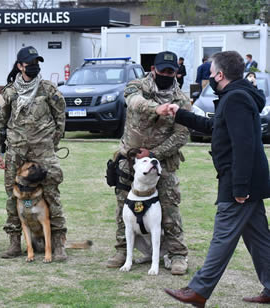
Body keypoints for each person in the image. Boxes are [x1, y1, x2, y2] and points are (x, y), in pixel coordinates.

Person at [160, 50, 270, 307]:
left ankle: (199, 290)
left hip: (239, 180)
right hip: (244, 180)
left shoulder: (236, 99)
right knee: (259, 239)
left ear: (220, 74)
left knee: (223, 236)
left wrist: (240, 187)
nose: (208, 78)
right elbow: (215, 127)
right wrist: (179, 113)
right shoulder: (236, 96)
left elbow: (244, 145)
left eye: (210, 74)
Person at [106, 51, 191, 275]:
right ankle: (123, 250)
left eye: (170, 71)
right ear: (153, 68)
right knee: (123, 208)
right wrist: (156, 108)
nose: (165, 74)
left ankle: (177, 254)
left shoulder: (181, 99)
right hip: (129, 161)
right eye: (162, 70)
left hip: (163, 162)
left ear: (176, 72)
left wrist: (152, 153)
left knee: (169, 208)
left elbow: (181, 135)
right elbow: (133, 102)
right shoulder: (137, 85)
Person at [0, 46, 68, 261]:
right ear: (19, 66)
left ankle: (58, 243)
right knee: (12, 195)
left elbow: (60, 117)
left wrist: (52, 143)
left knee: (52, 193)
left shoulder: (48, 89)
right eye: (30, 63)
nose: (34, 67)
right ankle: (15, 242)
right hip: (16, 152)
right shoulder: (9, 92)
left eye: (37, 63)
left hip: (43, 150)